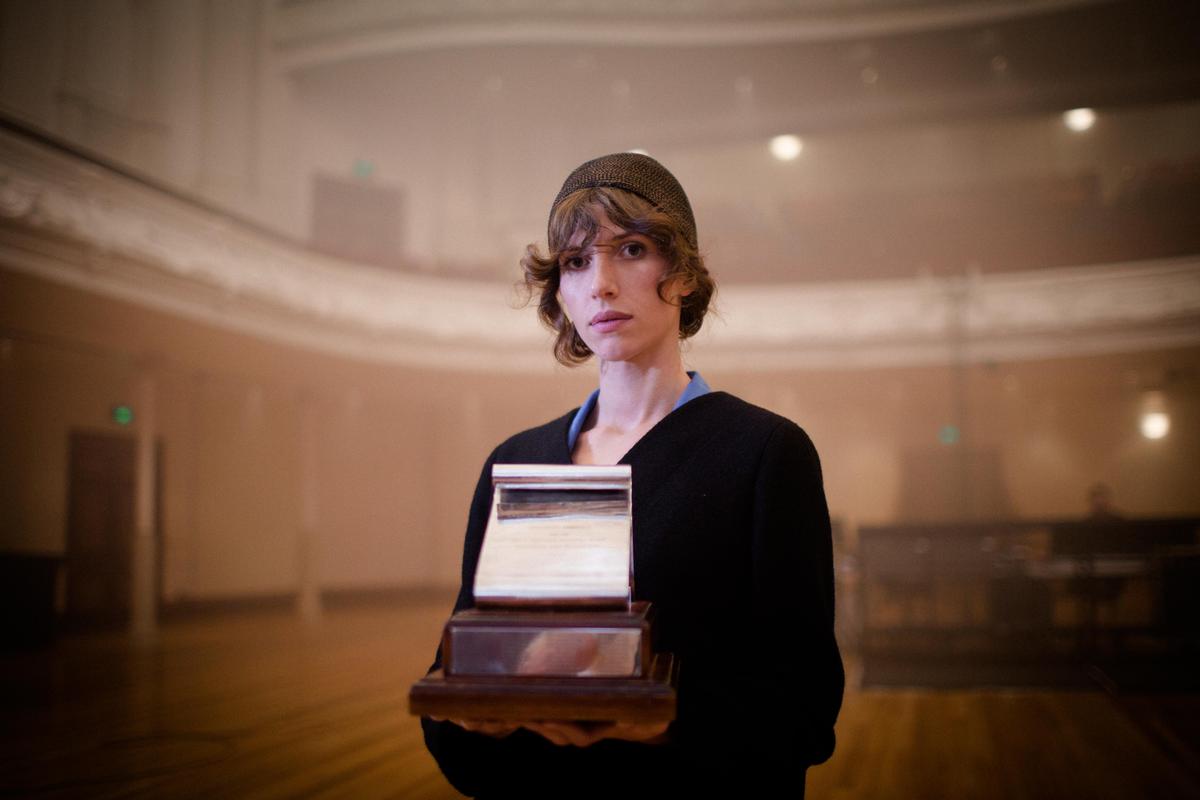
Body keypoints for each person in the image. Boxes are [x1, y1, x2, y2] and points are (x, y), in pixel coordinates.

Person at [421, 153, 843, 798]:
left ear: (684, 273)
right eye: (576, 261)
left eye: (632, 249)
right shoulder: (519, 459)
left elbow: (804, 712)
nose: (602, 284)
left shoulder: (765, 452)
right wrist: (483, 726)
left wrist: (657, 726)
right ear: (559, 291)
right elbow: (454, 693)